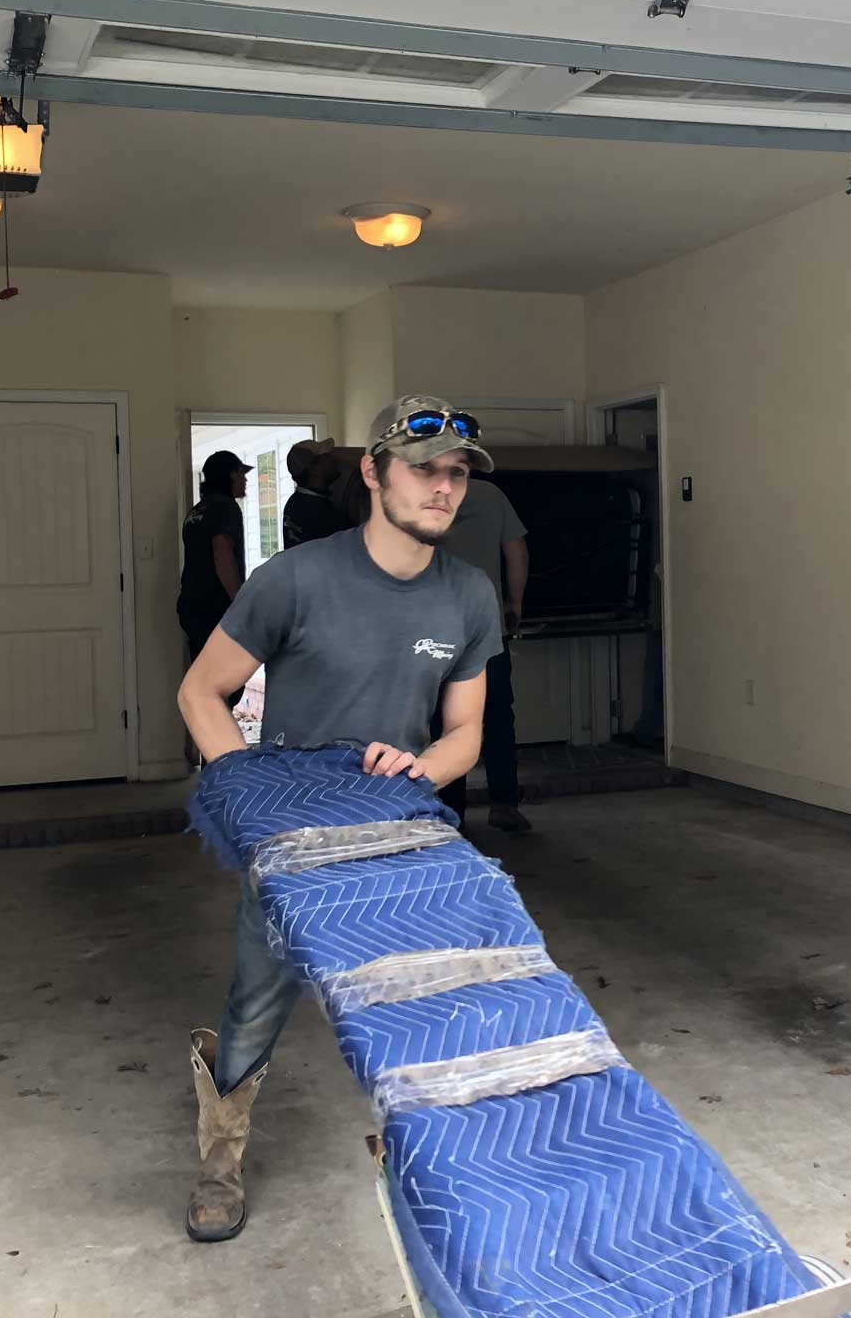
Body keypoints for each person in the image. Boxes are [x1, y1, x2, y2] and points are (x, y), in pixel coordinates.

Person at [174, 395, 502, 1244]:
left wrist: (419, 770)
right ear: (372, 472)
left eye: (457, 474)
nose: (443, 487)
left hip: (401, 841)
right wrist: (252, 808)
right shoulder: (295, 577)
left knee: (425, 1007)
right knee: (255, 1007)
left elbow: (464, 734)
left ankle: (432, 1164)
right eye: (423, 468)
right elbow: (199, 692)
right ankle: (218, 1159)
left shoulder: (468, 595)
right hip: (292, 843)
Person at [437, 476, 533, 834]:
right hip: (486, 624)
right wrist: (514, 603)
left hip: (433, 625)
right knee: (495, 716)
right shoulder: (491, 494)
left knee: (439, 722)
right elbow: (517, 551)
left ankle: (450, 815)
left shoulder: (420, 492)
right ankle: (505, 804)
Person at [176, 450, 252, 662]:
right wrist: (240, 602)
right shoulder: (225, 507)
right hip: (215, 608)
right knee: (228, 679)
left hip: (192, 606)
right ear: (229, 475)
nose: (244, 479)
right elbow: (222, 554)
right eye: (240, 473)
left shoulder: (196, 511)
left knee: (204, 673)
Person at [281, 436, 350, 549]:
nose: (334, 459)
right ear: (314, 469)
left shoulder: (295, 503)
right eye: (326, 456)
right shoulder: (319, 511)